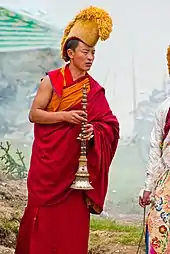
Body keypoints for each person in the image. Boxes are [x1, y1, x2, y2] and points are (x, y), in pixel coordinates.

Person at [15, 6, 119, 254]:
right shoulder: (50, 81)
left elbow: (110, 125)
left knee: (70, 228)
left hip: (75, 171)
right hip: (47, 166)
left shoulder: (94, 90)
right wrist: (65, 116)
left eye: (93, 52)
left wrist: (94, 130)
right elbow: (34, 114)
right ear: (70, 53)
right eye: (85, 52)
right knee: (40, 220)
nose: (91, 57)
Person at [139, 46, 170, 253]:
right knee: (160, 234)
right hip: (166, 184)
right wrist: (149, 186)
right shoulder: (165, 108)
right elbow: (155, 148)